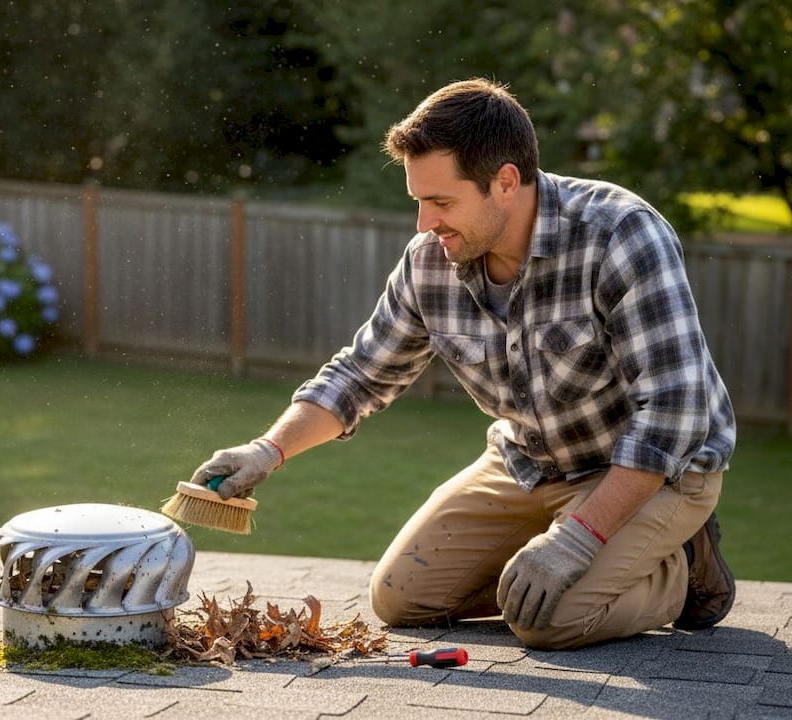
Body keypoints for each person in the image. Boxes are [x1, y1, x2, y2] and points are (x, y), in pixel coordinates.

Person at [185, 78, 737, 650]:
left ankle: (685, 565)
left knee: (549, 620)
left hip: (656, 471)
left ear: (505, 182)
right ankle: (560, 565)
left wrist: (579, 538)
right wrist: (265, 451)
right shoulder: (432, 260)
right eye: (418, 201)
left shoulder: (619, 234)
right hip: (529, 463)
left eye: (442, 202)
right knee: (401, 599)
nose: (425, 223)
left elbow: (674, 413)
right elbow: (360, 374)